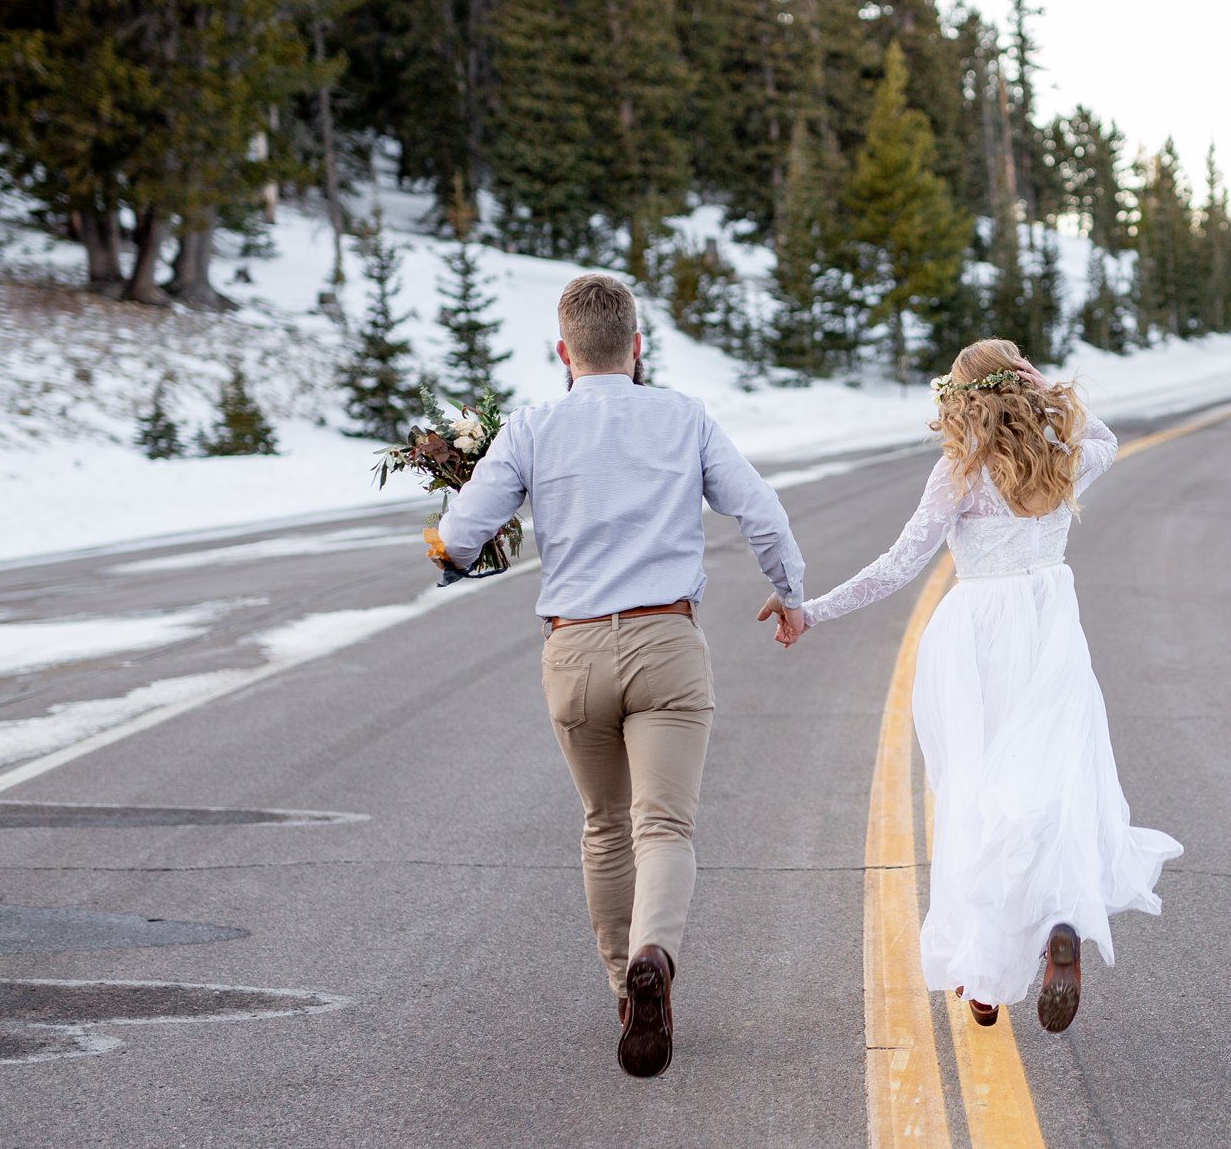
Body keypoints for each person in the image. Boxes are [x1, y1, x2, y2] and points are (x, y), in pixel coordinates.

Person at [433, 270, 807, 1082]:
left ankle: (621, 988)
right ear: (637, 348)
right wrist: (789, 595)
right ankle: (654, 956)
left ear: (563, 353)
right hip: (666, 641)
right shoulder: (683, 417)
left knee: (605, 824)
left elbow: (462, 535)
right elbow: (761, 512)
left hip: (572, 652)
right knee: (663, 827)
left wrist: (456, 545)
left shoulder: (532, 428)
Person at [765, 340, 1177, 1033]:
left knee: (975, 796)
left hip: (975, 636)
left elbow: (898, 566)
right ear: (1018, 383)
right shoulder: (1061, 452)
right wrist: (1048, 392)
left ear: (962, 399)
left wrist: (813, 611)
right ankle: (1056, 923)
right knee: (1047, 787)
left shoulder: (959, 473)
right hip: (1049, 626)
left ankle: (984, 971)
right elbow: (1107, 436)